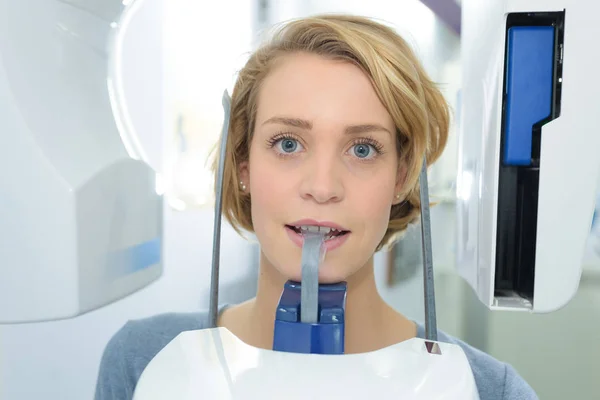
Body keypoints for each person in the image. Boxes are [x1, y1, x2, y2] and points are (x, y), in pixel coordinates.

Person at [94, 14, 538, 399]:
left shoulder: (487, 390)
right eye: (288, 143)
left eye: (362, 149)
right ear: (242, 163)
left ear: (403, 175)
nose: (323, 187)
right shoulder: (143, 361)